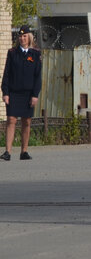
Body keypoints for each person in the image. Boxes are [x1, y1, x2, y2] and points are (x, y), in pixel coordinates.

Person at [2, 25, 42, 161]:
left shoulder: (35, 54)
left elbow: (38, 77)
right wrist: (5, 92)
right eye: (20, 36)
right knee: (11, 120)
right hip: (13, 92)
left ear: (29, 37)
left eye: (24, 36)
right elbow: (6, 74)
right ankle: (7, 152)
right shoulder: (12, 53)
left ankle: (24, 151)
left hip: (28, 94)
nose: (22, 38)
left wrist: (35, 95)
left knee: (26, 121)